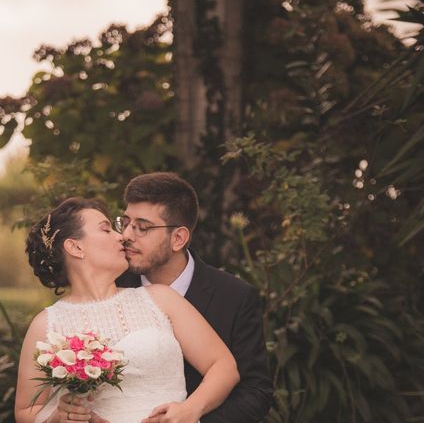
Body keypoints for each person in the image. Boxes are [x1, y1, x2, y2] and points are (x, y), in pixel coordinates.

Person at [15, 197, 239, 423]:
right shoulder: (46, 324)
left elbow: (223, 366)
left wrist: (190, 409)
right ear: (75, 247)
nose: (121, 236)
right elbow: (25, 411)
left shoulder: (160, 299)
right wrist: (58, 417)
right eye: (106, 229)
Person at [114, 172, 272, 423]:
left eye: (142, 227)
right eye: (125, 223)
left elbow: (256, 393)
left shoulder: (235, 296)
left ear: (178, 238)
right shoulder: (112, 288)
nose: (126, 236)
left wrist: (192, 417)